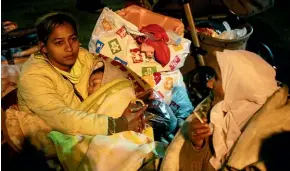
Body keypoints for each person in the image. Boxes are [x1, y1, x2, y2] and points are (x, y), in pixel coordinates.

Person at [17, 12, 147, 136]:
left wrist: (133, 108)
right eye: (59, 43)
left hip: (93, 121)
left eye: (72, 39)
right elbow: (62, 119)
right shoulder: (33, 76)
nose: (69, 48)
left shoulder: (82, 56)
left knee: (122, 92)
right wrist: (118, 124)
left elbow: (114, 81)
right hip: (59, 136)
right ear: (44, 47)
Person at [160, 49, 283, 171]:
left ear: (237, 87)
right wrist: (198, 144)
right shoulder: (224, 116)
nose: (209, 84)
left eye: (216, 79)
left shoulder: (259, 144)